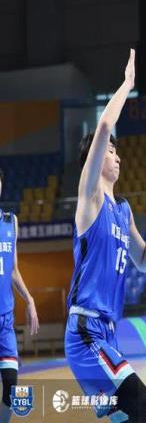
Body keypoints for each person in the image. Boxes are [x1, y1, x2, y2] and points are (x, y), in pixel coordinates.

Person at [64, 49, 146, 422]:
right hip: (86, 330)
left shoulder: (123, 209)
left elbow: (142, 259)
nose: (118, 157)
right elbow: (103, 128)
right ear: (96, 159)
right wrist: (127, 84)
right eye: (112, 152)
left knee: (125, 416)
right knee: (142, 403)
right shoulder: (90, 198)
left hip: (108, 332)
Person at [0, 168, 39, 423]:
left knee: (11, 386)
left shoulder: (10, 222)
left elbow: (13, 269)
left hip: (5, 321)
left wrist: (30, 300)